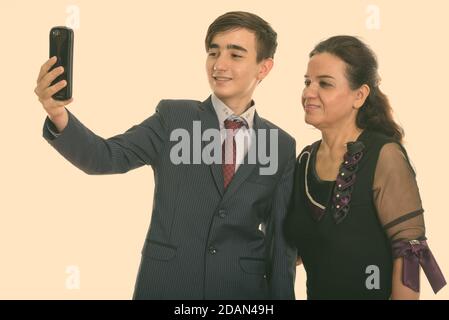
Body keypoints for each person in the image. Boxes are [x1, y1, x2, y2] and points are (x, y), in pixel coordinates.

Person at [34, 11, 297, 299]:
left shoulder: (281, 145)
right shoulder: (174, 118)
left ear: (264, 67)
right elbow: (103, 157)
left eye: (235, 55)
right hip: (167, 286)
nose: (219, 65)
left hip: (242, 293)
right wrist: (57, 113)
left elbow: (279, 244)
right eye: (213, 52)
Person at [284, 35, 446, 300]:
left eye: (324, 83)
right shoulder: (303, 160)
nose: (308, 92)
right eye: (307, 82)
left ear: (359, 95)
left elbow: (409, 251)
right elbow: (303, 248)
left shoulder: (384, 155)